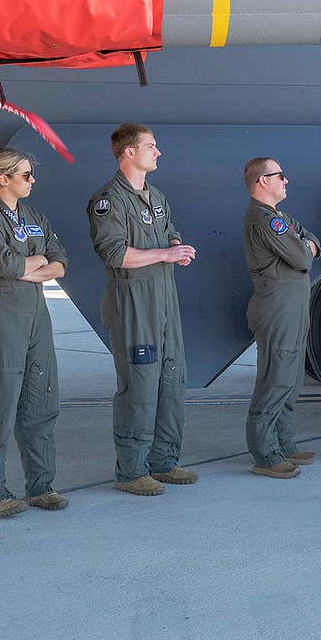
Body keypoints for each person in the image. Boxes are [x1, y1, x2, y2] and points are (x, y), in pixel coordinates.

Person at [88, 124, 198, 495]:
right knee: (140, 384)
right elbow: (116, 253)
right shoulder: (108, 201)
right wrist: (166, 254)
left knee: (171, 377)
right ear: (129, 153)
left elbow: (170, 230)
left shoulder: (156, 197)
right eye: (151, 146)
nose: (159, 152)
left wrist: (176, 246)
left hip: (164, 298)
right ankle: (131, 471)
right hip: (133, 303)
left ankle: (164, 461)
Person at [0, 148, 71, 514]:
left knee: (41, 399)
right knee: (1, 401)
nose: (32, 180)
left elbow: (60, 263)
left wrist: (33, 265)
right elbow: (6, 264)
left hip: (36, 312)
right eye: (26, 175)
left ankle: (41, 486)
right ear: (2, 178)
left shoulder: (35, 216)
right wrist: (32, 264)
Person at [241, 157, 321, 478]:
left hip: (292, 305)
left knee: (291, 378)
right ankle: (265, 453)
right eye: (280, 176)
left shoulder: (278, 216)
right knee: (275, 379)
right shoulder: (265, 219)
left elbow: (312, 238)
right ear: (263, 181)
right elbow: (303, 256)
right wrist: (305, 247)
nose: (286, 181)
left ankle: (284, 443)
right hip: (277, 307)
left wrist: (305, 244)